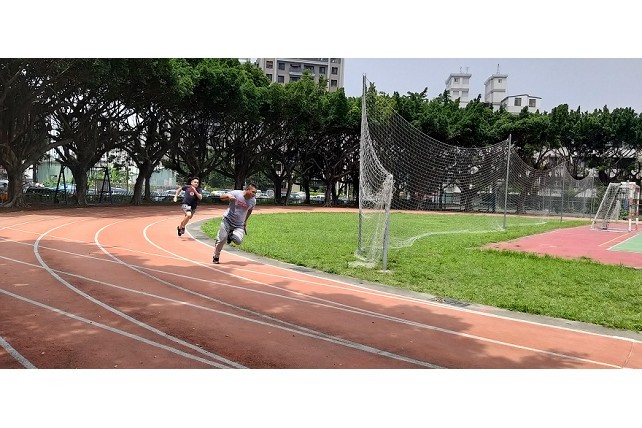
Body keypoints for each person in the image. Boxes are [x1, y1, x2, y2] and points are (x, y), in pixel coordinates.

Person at [212, 183, 257, 264]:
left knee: (238, 241)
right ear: (247, 189)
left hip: (239, 224)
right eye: (253, 192)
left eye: (255, 193)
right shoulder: (236, 193)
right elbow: (221, 197)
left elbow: (250, 210)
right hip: (227, 220)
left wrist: (245, 222)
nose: (254, 194)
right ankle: (216, 256)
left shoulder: (253, 201)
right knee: (222, 239)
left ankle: (230, 235)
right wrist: (228, 196)